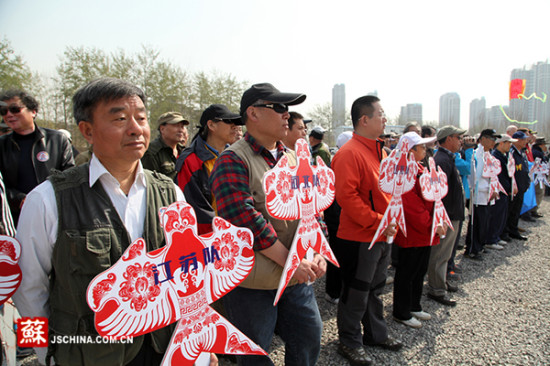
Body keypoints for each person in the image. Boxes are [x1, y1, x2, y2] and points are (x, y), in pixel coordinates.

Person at [11, 78, 194, 366]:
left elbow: (188, 275)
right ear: (87, 131)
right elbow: (28, 290)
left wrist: (197, 342)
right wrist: (48, 355)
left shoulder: (171, 193)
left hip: (161, 350)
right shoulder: (48, 200)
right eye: (120, 118)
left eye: (142, 118)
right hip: (88, 355)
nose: (136, 128)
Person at [209, 83, 325, 366]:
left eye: (288, 109)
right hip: (252, 283)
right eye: (279, 108)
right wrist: (291, 262)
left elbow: (312, 211)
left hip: (295, 276)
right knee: (254, 353)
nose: (287, 115)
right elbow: (244, 220)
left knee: (309, 336)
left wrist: (317, 250)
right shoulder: (233, 159)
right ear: (253, 113)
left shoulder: (294, 158)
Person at [332, 95, 402, 366]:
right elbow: (347, 198)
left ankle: (375, 334)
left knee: (375, 289)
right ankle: (349, 342)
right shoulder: (349, 153)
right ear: (364, 119)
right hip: (360, 236)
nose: (385, 118)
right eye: (381, 114)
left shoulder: (380, 151)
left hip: (383, 233)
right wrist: (378, 221)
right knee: (356, 292)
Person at [393, 132, 446, 329]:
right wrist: (432, 222)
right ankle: (401, 311)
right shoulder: (403, 172)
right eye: (422, 147)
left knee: (419, 270)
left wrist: (439, 219)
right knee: (407, 272)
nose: (426, 149)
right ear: (411, 150)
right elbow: (411, 206)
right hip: (414, 231)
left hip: (426, 230)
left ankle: (414, 305)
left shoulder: (421, 168)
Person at [0, 90, 74, 224]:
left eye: (15, 109)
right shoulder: (2, 145)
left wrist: (46, 199)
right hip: (16, 218)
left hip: (55, 215)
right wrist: (20, 199)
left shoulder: (57, 140)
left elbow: (70, 176)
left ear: (33, 111)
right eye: (3, 111)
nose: (9, 115)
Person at [175, 104, 242, 235]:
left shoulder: (236, 156)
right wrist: (218, 236)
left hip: (236, 235)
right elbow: (196, 212)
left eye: (236, 123)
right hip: (213, 241)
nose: (234, 126)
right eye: (228, 121)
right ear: (211, 125)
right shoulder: (191, 161)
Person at [427, 125, 466, 306]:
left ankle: (441, 282)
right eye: (458, 137)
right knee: (440, 254)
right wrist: (440, 218)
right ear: (448, 138)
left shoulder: (447, 158)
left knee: (446, 253)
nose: (461, 141)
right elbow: (438, 194)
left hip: (452, 213)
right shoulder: (441, 160)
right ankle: (436, 289)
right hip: (446, 215)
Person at [465, 129, 502, 257]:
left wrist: (495, 190)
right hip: (478, 194)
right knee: (477, 222)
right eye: (491, 139)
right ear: (483, 139)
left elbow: (494, 176)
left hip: (488, 194)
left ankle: (480, 245)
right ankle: (472, 248)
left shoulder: (490, 156)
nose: (493, 142)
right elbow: (473, 175)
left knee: (485, 221)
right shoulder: (476, 155)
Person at [486, 134, 518, 245]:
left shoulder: (504, 156)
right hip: (499, 191)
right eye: (508, 143)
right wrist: (507, 188)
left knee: (501, 216)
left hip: (505, 191)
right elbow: (499, 177)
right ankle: (491, 238)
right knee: (495, 215)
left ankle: (497, 236)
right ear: (501, 143)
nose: (510, 145)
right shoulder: (495, 157)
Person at [141, 111, 189, 180]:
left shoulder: (184, 151)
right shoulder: (152, 152)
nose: (181, 130)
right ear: (162, 129)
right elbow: (151, 183)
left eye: (182, 126)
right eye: (176, 126)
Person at [504, 131, 531, 241]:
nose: (526, 141)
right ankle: (506, 232)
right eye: (524, 139)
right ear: (518, 140)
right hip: (514, 188)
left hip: (521, 186)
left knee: (516, 210)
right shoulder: (511, 152)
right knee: (510, 211)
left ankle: (513, 230)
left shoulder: (522, 152)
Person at [530, 137, 547, 218]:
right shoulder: (538, 153)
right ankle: (533, 209)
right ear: (541, 145)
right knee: (539, 191)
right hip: (538, 175)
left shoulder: (534, 151)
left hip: (536, 175)